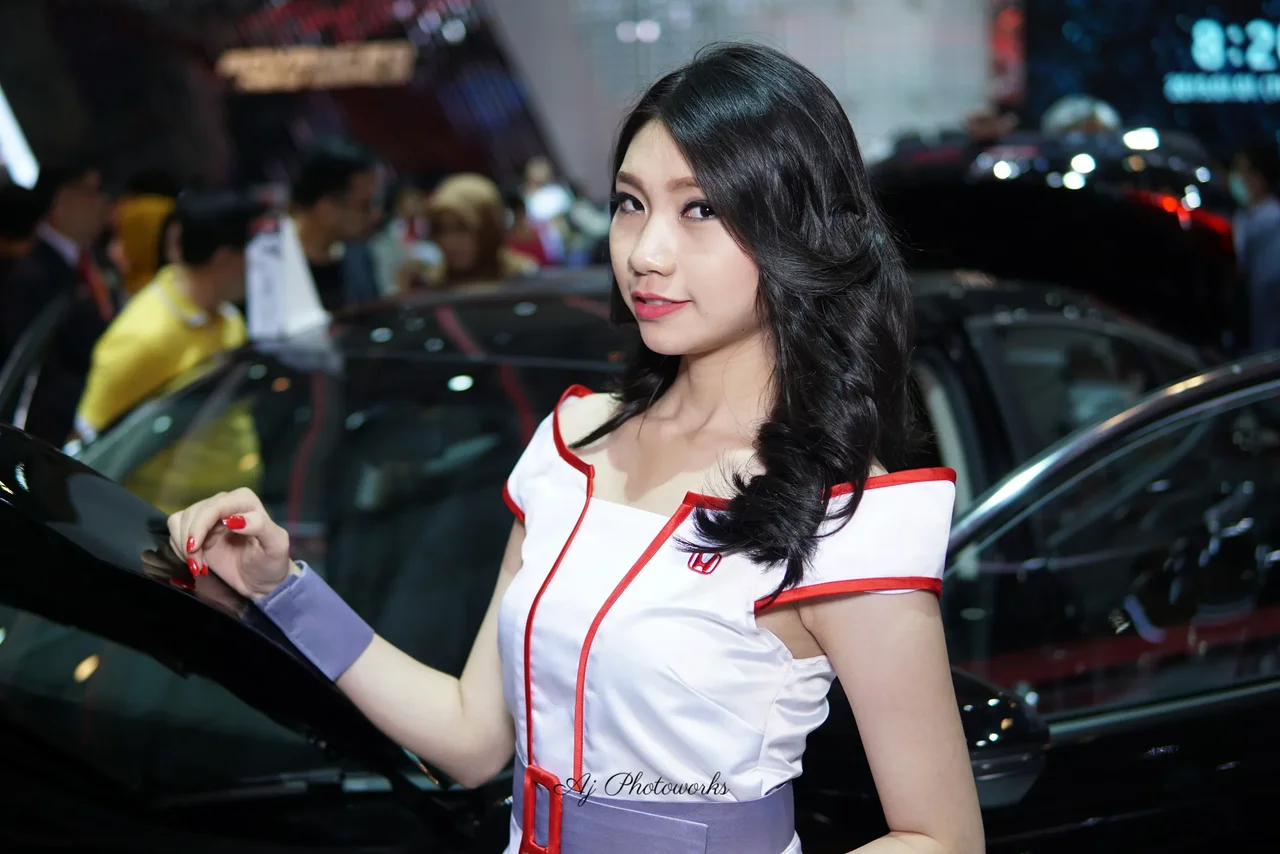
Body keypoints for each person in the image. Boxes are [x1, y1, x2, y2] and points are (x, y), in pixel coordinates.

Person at [166, 43, 984, 854]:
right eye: (631, 203)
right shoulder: (572, 446)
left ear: (794, 231)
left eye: (699, 209)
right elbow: (472, 736)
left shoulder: (844, 512)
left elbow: (940, 836)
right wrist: (282, 595)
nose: (645, 252)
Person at [74, 188, 263, 441]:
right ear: (224, 258)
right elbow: (88, 442)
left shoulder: (229, 318)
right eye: (253, 254)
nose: (259, 266)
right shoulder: (142, 338)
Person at [0, 156, 113, 444]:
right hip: (60, 434)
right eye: (93, 191)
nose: (103, 202)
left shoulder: (92, 260)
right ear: (64, 199)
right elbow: (34, 369)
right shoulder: (31, 274)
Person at [290, 138, 381, 311]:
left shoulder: (356, 253)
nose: (375, 215)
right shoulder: (268, 263)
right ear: (327, 208)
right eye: (365, 205)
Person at [424, 173, 538, 286]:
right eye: (441, 230)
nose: (450, 243)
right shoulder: (432, 283)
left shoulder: (524, 276)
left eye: (462, 229)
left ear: (488, 229)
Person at [1229, 143, 1280, 353]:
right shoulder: (1242, 217)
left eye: (1241, 170)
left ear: (1259, 178)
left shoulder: (1272, 223)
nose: (1235, 177)